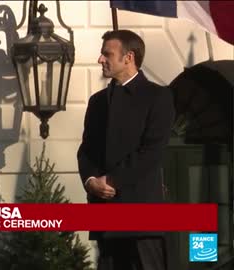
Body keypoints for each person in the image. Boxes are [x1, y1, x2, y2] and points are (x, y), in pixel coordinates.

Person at [77, 30, 175, 270]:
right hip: (105, 217)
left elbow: (151, 151)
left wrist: (111, 180)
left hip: (141, 217)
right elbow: (86, 150)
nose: (101, 59)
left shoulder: (157, 96)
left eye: (107, 54)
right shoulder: (97, 101)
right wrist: (90, 180)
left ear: (128, 57)